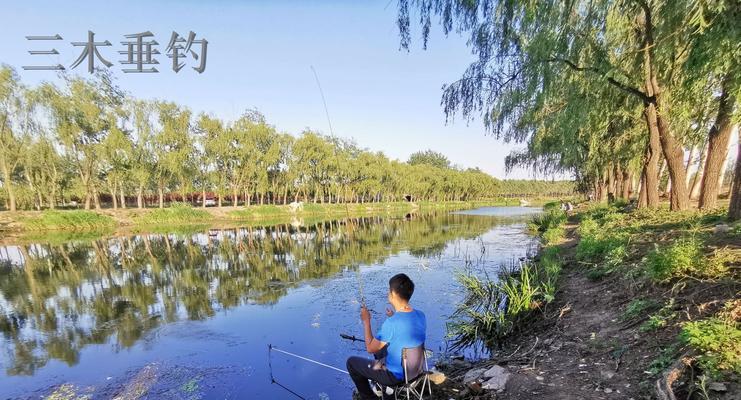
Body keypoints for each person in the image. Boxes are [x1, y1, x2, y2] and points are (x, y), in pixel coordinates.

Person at [346, 273, 427, 400]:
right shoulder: (421, 315)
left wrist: (366, 321)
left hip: (394, 376)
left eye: (389, 290)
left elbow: (370, 348)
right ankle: (384, 389)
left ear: (394, 294)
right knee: (383, 348)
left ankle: (370, 397)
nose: (387, 293)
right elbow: (405, 331)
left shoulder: (391, 324)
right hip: (415, 372)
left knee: (351, 363)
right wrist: (393, 316)